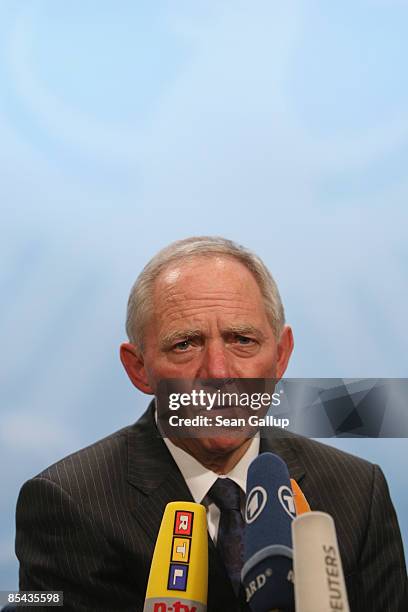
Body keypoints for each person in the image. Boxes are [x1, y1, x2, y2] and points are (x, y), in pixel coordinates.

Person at [15, 236, 407, 611]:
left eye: (242, 339)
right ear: (139, 369)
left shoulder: (358, 491)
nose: (218, 371)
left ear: (281, 355)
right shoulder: (69, 503)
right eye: (185, 344)